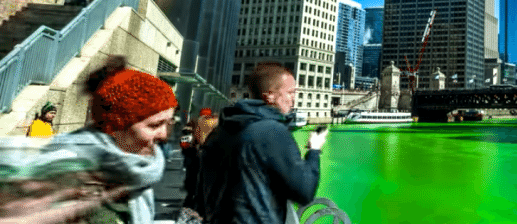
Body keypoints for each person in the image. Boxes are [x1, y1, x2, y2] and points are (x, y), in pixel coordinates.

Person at [46, 56, 177, 224]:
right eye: (155, 125)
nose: (164, 135)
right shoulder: (63, 173)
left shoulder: (136, 170)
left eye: (169, 123)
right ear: (116, 126)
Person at [200, 62, 326, 224]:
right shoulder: (272, 131)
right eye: (290, 92)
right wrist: (314, 150)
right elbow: (304, 191)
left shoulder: (219, 132)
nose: (294, 99)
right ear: (270, 95)